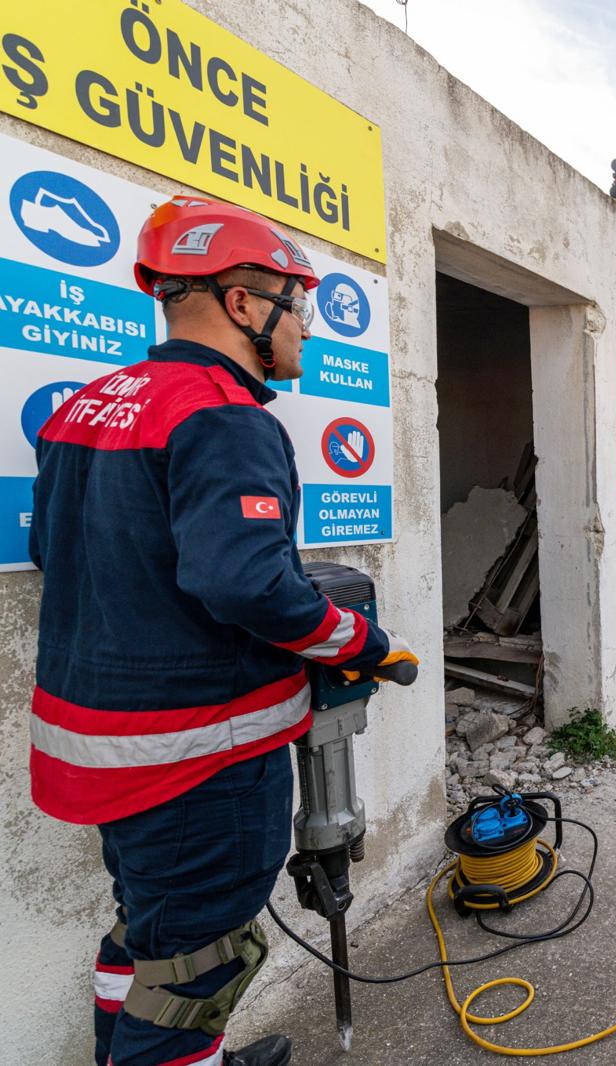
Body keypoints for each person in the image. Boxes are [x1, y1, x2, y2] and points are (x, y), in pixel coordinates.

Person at [29, 198, 420, 1066]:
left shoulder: (85, 407)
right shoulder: (225, 414)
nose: (307, 329)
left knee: (150, 934)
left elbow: (53, 549)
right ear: (244, 303)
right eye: (297, 303)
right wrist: (362, 645)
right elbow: (248, 585)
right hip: (198, 758)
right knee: (204, 964)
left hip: (105, 751)